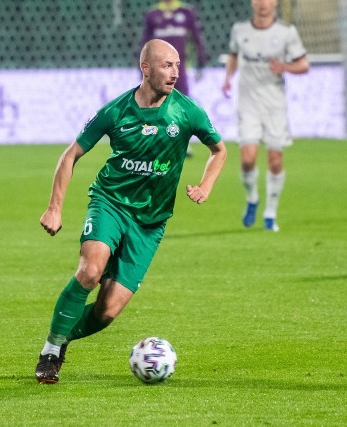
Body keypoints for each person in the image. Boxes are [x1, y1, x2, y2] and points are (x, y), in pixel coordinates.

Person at [35, 39, 226, 384]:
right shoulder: (116, 111)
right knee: (90, 271)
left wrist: (206, 185)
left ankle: (63, 336)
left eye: (178, 65)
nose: (175, 73)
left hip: (150, 223)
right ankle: (50, 349)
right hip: (110, 202)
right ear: (146, 68)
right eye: (167, 65)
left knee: (107, 311)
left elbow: (219, 150)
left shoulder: (187, 112)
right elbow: (70, 155)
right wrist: (55, 207)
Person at [222, 0, 309, 232]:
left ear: (275, 3)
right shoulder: (240, 30)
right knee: (248, 159)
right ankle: (252, 198)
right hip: (248, 104)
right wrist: (228, 78)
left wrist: (285, 67)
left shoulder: (286, 32)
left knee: (275, 160)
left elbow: (303, 65)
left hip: (275, 106)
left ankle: (270, 213)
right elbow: (233, 55)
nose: (263, 4)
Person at [140, 0, 209, 97]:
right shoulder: (152, 14)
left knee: (181, 99)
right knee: (158, 100)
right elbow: (145, 43)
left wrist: (200, 62)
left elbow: (197, 39)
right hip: (158, 66)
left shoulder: (186, 11)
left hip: (180, 65)